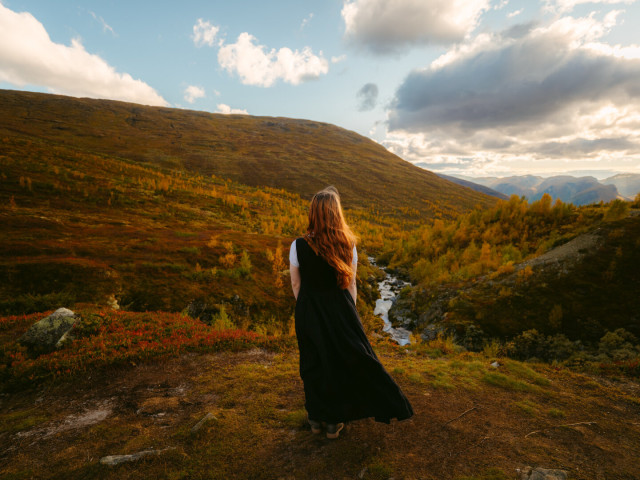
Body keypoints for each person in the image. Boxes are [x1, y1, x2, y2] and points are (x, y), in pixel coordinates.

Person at [289, 186, 413, 439]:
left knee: (312, 363)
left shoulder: (298, 245)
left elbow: (296, 284)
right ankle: (334, 422)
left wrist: (305, 309)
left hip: (308, 311)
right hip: (341, 311)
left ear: (314, 213)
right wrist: (350, 311)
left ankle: (315, 419)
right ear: (337, 214)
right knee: (340, 361)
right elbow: (351, 283)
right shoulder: (348, 244)